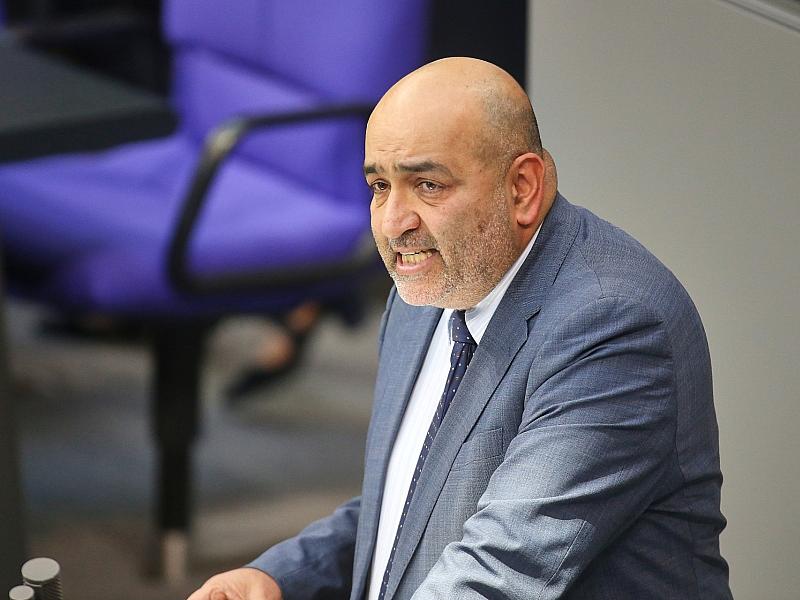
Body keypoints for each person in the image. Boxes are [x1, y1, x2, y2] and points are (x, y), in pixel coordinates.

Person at [188, 57, 732, 600]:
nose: (393, 224)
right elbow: (408, 508)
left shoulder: (614, 328)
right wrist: (283, 576)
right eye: (380, 185)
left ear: (522, 187)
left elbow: (498, 573)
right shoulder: (429, 285)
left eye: (428, 185)